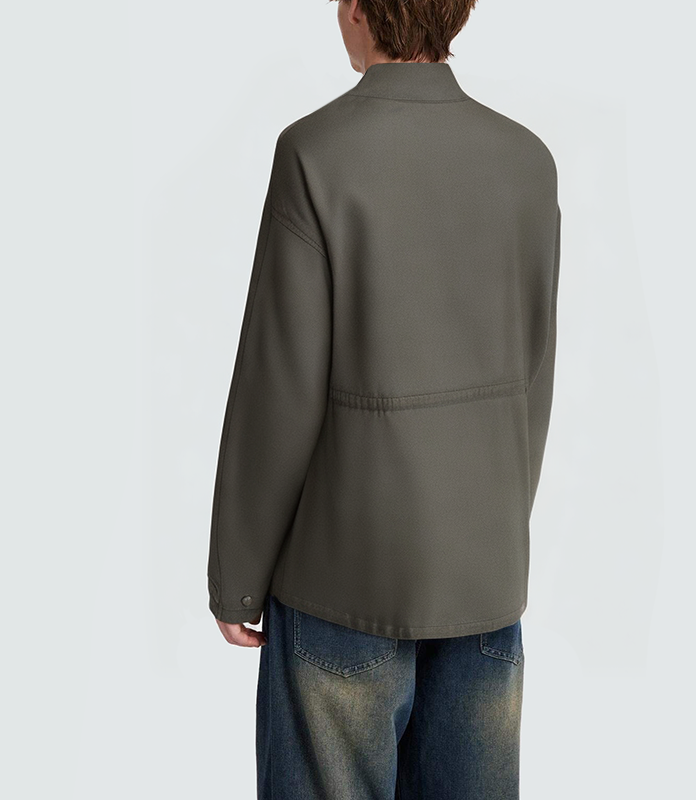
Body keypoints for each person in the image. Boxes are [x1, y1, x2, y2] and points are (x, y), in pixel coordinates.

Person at [206, 1, 561, 797]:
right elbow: (533, 377)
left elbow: (279, 385)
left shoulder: (316, 153)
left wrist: (237, 573)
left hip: (342, 581)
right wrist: (494, 533)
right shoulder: (528, 160)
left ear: (361, 11)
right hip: (483, 580)